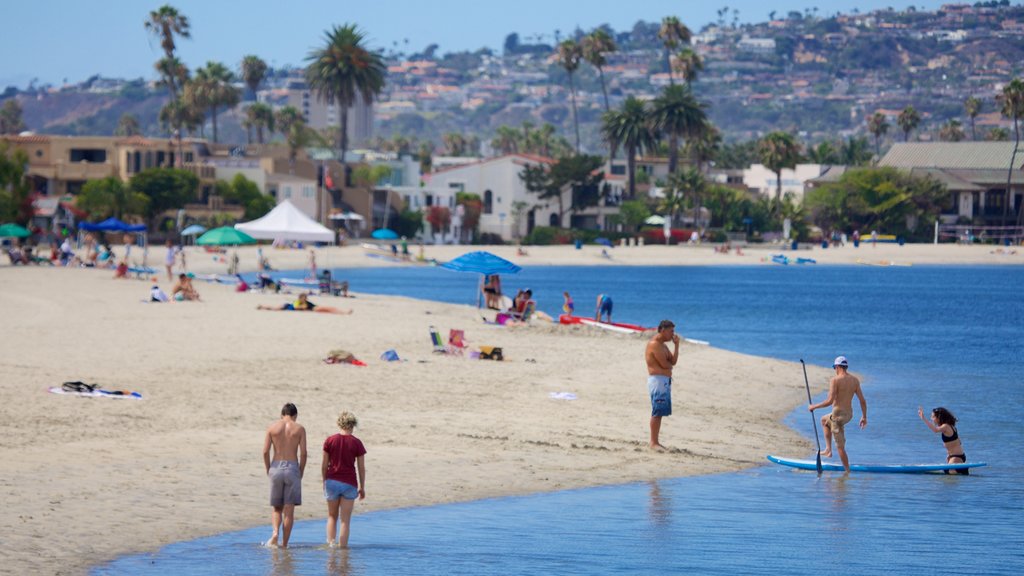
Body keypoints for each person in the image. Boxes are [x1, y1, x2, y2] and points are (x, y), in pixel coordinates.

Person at [808, 356, 867, 473]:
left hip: (837, 417)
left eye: (834, 367)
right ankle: (828, 451)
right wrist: (864, 416)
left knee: (840, 447)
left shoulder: (835, 380)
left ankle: (847, 472)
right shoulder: (855, 380)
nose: (834, 369)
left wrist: (814, 406)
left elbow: (829, 401)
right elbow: (862, 401)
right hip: (848, 414)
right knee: (824, 420)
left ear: (838, 366)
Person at [263, 403, 307, 548]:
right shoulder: (299, 428)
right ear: (295, 415)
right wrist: (301, 470)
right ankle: (284, 545)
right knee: (289, 509)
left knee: (277, 508)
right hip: (292, 467)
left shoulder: (272, 427)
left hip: (276, 466)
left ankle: (275, 533)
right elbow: (304, 453)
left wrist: (268, 468)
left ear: (282, 414)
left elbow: (265, 452)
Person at [322, 411, 367, 549]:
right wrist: (362, 487)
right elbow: (361, 468)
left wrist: (325, 481)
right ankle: (342, 550)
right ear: (353, 425)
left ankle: (331, 546)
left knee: (331, 517)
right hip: (349, 483)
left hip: (332, 481)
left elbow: (324, 464)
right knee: (345, 521)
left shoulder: (330, 440)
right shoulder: (357, 443)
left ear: (339, 423)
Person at [645, 320, 680, 452]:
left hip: (663, 380)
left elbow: (673, 362)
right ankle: (653, 442)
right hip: (657, 381)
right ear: (663, 330)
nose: (673, 334)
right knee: (656, 412)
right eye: (671, 331)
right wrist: (668, 368)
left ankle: (655, 441)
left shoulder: (664, 345)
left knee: (660, 412)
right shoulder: (655, 344)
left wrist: (676, 346)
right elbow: (666, 365)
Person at [918, 406, 969, 475]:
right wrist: (949, 454)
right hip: (954, 456)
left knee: (950, 472)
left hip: (957, 456)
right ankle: (963, 471)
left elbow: (935, 430)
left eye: (933, 417)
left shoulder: (946, 426)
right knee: (947, 472)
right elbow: (959, 442)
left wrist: (923, 418)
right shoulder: (951, 426)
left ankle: (964, 471)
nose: (931, 419)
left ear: (939, 418)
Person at [257, 292, 352, 315]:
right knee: (274, 308)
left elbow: (302, 307)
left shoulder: (305, 303)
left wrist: (303, 306)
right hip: (287, 306)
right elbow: (297, 307)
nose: (305, 299)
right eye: (304, 297)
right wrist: (303, 306)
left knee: (328, 308)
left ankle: (343, 312)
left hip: (313, 308)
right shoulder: (298, 302)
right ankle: (262, 307)